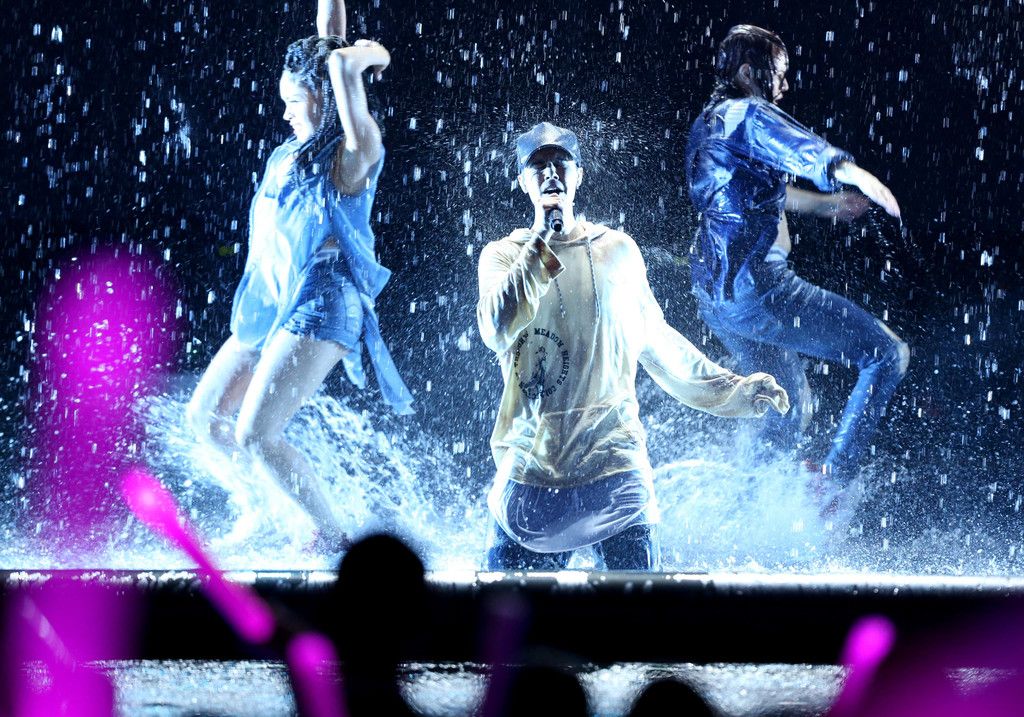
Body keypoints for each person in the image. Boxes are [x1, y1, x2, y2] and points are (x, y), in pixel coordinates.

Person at [476, 122, 790, 571]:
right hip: (531, 479)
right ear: (523, 182)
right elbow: (496, 329)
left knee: (640, 612)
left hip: (616, 474)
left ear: (579, 175)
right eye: (537, 165)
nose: (550, 173)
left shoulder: (617, 250)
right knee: (501, 614)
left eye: (560, 162)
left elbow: (658, 342)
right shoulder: (503, 255)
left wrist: (735, 389)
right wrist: (542, 240)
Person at [186, 0, 413, 554]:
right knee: (206, 419)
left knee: (256, 435)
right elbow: (328, 38)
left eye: (293, 101)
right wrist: (336, 47)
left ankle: (333, 539)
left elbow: (342, 76)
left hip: (323, 302)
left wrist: (350, 67)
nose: (285, 112)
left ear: (325, 99)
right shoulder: (294, 151)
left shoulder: (348, 159)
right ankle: (268, 512)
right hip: (272, 300)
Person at [686, 25, 908, 494]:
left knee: (786, 406)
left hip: (715, 298)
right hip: (759, 291)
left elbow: (759, 192)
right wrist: (853, 174)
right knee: (887, 355)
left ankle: (744, 502)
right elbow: (801, 148)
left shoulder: (709, 123)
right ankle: (833, 481)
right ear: (748, 73)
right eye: (779, 73)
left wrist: (828, 206)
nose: (785, 85)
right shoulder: (748, 113)